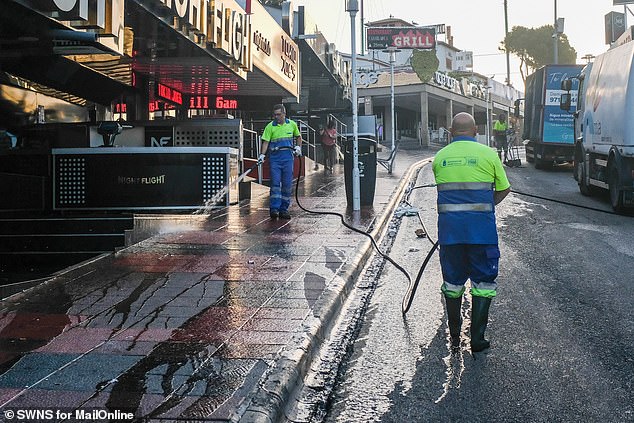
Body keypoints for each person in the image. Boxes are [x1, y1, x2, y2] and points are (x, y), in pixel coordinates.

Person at [432, 112, 511, 353]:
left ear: (450, 132)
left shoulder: (440, 157)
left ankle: (454, 335)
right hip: (482, 234)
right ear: (476, 131)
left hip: (450, 235)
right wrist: (485, 207)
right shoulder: (488, 154)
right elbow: (504, 189)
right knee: (484, 283)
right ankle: (477, 339)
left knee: (453, 283)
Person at [258, 104, 303, 220]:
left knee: (287, 185)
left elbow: (298, 137)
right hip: (275, 160)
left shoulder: (292, 125)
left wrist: (298, 147)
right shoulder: (270, 127)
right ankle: (274, 209)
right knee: (275, 184)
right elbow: (266, 142)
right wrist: (262, 155)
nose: (276, 117)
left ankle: (284, 209)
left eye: (279, 114)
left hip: (288, 159)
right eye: (275, 115)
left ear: (284, 114)